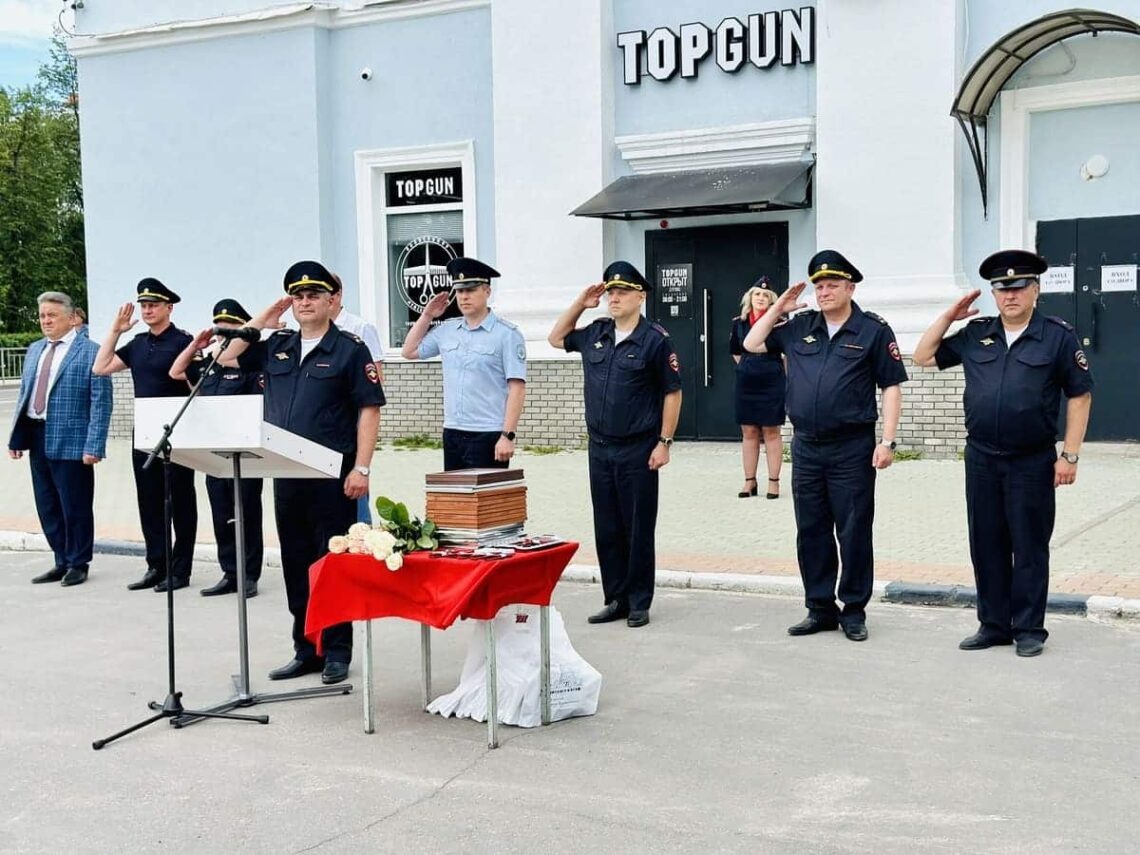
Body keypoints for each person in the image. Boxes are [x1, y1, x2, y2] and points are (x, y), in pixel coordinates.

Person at [912, 250, 1093, 657]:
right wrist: (949, 317)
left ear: (1035, 290)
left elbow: (1080, 395)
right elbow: (923, 357)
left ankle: (1028, 628)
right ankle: (993, 625)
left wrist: (1070, 455)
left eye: (1018, 287)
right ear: (994, 294)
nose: (1010, 295)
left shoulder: (1057, 336)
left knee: (1029, 546)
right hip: (981, 459)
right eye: (1001, 289)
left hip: (1032, 460)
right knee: (987, 544)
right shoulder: (976, 333)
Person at [228, 260, 384, 685]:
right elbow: (227, 355)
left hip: (332, 476)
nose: (305, 302)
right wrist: (263, 318)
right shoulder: (277, 345)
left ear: (331, 301)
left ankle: (337, 651)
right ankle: (305, 648)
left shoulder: (349, 349)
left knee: (331, 566)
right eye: (297, 296)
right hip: (286, 473)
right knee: (296, 565)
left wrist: (362, 468)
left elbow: (369, 409)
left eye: (314, 295)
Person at [743, 250, 906, 642]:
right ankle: (819, 608)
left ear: (851, 288)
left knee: (853, 530)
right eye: (819, 286)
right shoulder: (800, 326)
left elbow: (891, 386)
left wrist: (887, 441)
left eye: (833, 285)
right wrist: (778, 307)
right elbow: (751, 342)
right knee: (811, 530)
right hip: (807, 447)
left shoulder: (872, 330)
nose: (824, 292)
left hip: (852, 447)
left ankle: (854, 610)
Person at [548, 261, 682, 629]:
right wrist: (580, 303)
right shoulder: (597, 332)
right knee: (607, 527)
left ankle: (639, 601)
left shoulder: (655, 339)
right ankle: (616, 598)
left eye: (622, 291)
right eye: (611, 292)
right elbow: (556, 338)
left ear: (641, 296)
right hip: (600, 447)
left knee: (637, 528)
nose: (614, 298)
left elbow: (672, 393)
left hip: (639, 448)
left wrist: (664, 442)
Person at [93, 279, 198, 592]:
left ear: (169, 307)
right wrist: (115, 331)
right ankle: (157, 565)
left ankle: (180, 570)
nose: (148, 310)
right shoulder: (137, 343)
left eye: (154, 305)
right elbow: (101, 367)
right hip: (144, 431)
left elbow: (194, 384)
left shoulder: (183, 341)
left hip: (177, 432)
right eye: (144, 305)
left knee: (180, 502)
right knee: (149, 501)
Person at [8, 291, 112, 587]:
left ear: (72, 317)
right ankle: (61, 559)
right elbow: (25, 395)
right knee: (47, 504)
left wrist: (94, 445)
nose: (46, 321)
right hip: (36, 435)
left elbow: (101, 402)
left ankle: (78, 562)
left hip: (73, 440)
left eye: (52, 315)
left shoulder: (92, 352)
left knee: (74, 505)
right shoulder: (35, 349)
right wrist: (16, 438)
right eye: (42, 315)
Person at [169, 299, 264, 598]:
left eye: (230, 329)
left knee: (247, 514)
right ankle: (229, 572)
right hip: (214, 454)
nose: (224, 335)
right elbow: (176, 371)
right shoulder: (207, 366)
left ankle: (249, 575)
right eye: (220, 330)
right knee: (222, 515)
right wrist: (196, 345)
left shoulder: (251, 365)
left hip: (245, 453)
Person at [401, 257, 526, 471]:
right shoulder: (447, 331)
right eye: (459, 291)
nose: (464, 296)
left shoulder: (507, 334)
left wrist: (508, 435)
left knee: (487, 493)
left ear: (487, 291)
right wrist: (427, 315)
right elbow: (409, 351)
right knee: (455, 492)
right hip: (453, 431)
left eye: (471, 290)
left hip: (488, 433)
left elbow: (517, 388)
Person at [329, 271, 384, 522]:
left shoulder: (359, 328)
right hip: (324, 427)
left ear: (338, 295)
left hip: (351, 424)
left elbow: (375, 380)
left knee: (354, 495)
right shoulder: (308, 331)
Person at [729, 278, 786, 499]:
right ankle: (749, 481)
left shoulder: (779, 323)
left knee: (771, 432)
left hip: (772, 382)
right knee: (749, 431)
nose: (761, 298)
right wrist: (749, 368)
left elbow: (786, 355)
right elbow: (736, 352)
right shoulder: (739, 323)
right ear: (750, 298)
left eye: (765, 295)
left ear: (771, 300)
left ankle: (774, 482)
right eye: (757, 294)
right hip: (746, 383)